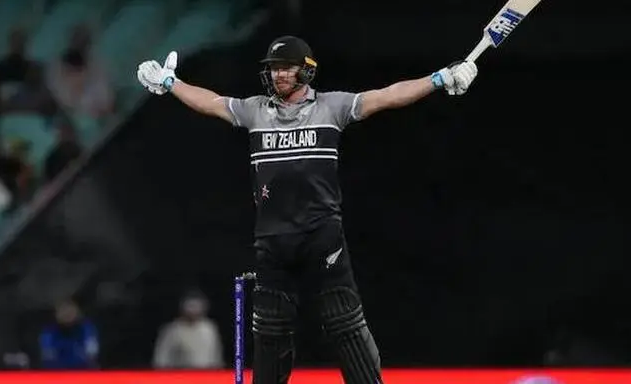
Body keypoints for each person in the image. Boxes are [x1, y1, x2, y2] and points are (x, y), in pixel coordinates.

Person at [136, 36, 478, 384]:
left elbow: (388, 95)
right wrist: (170, 82)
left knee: (344, 324)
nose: (278, 75)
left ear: (306, 70)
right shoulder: (256, 110)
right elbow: (210, 102)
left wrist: (439, 78)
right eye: (274, 69)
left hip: (322, 236)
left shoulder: (331, 107)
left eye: (286, 68)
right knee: (270, 332)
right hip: (272, 241)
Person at [152, 289, 225, 369]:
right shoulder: (172, 330)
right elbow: (161, 358)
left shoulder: (210, 328)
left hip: (207, 374)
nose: (194, 311)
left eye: (197, 306)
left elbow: (216, 355)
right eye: (190, 306)